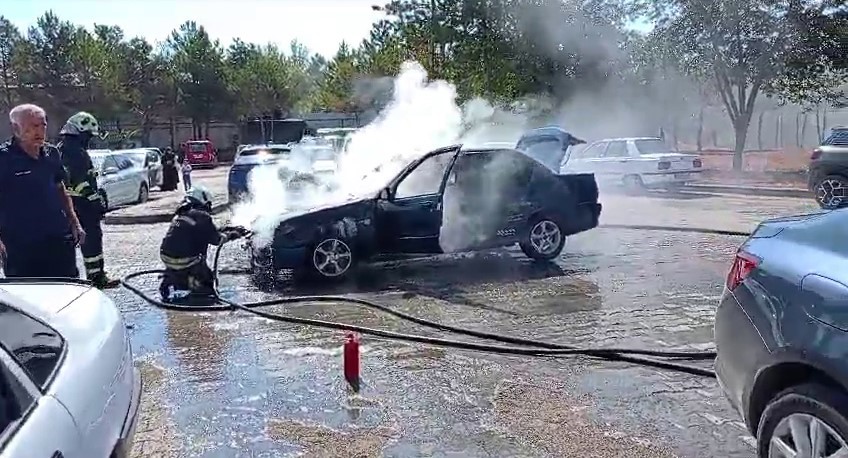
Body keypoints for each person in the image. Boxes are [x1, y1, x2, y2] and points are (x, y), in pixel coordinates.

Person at [0, 104, 85, 278]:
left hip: (58, 238)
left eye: (43, 125)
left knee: (68, 287)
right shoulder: (4, 158)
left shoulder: (52, 153)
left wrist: (74, 221)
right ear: (16, 128)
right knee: (28, 293)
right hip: (21, 245)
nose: (39, 131)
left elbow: (60, 188)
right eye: (33, 126)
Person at [57, 111, 118, 289]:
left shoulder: (62, 149)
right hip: (83, 206)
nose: (89, 139)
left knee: (72, 243)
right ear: (80, 132)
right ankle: (97, 278)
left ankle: (74, 279)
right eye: (88, 135)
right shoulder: (76, 152)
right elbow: (79, 181)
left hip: (69, 206)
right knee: (92, 241)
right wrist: (95, 200)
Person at [158, 185, 246, 303]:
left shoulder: (181, 212)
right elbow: (216, 240)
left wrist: (226, 229)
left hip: (166, 257)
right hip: (185, 260)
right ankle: (198, 292)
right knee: (207, 282)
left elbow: (202, 231)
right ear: (203, 200)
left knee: (182, 270)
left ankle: (173, 279)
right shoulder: (202, 216)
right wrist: (232, 235)